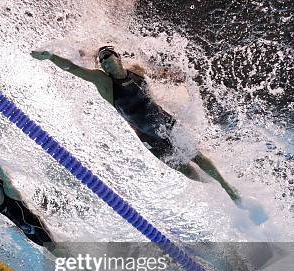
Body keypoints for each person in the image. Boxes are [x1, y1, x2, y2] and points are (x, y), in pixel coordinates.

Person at [30, 46, 242, 204]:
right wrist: (50, 57)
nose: (104, 61)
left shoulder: (137, 70)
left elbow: (158, 75)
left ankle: (228, 188)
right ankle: (212, 187)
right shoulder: (103, 82)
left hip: (166, 122)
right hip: (148, 137)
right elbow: (72, 68)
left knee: (196, 155)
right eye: (101, 60)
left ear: (117, 57)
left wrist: (176, 75)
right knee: (186, 170)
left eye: (107, 56)